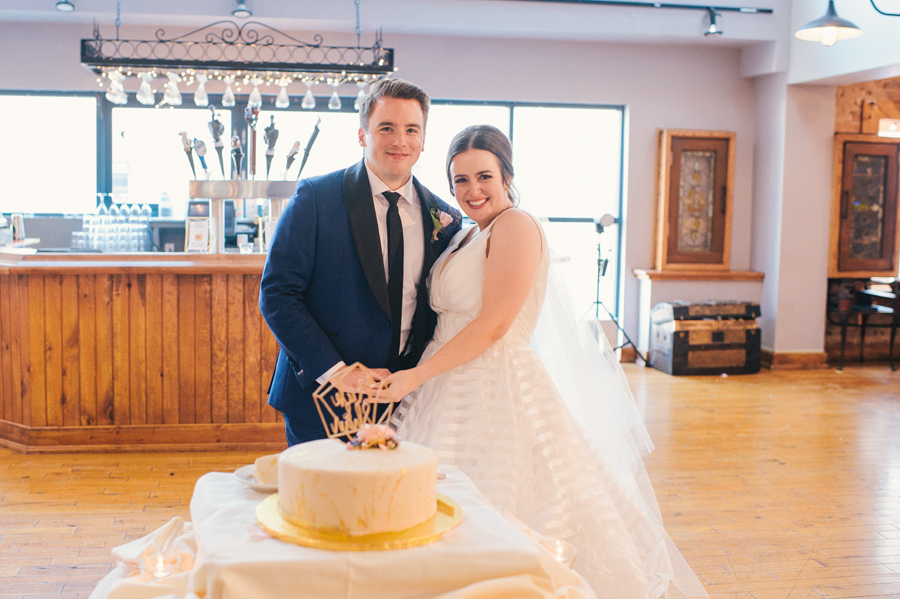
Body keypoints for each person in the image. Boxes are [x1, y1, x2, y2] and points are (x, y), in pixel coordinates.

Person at [375, 125, 708, 598]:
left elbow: (494, 325)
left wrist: (415, 377)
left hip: (496, 387)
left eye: (484, 176)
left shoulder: (517, 226)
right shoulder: (468, 236)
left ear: (507, 175)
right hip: (444, 384)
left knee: (501, 507)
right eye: (460, 181)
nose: (473, 191)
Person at [258, 78, 462, 446]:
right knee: (321, 501)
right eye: (387, 128)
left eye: (411, 130)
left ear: (423, 140)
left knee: (390, 502)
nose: (400, 141)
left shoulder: (444, 217)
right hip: (324, 397)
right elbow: (278, 294)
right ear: (362, 134)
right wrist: (337, 373)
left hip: (406, 399)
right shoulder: (316, 198)